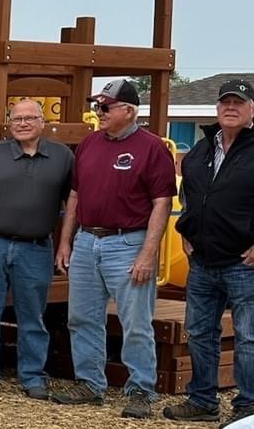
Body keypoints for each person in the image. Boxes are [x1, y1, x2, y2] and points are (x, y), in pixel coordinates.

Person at [52, 80, 176, 419]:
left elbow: (162, 203)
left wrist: (148, 254)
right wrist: (66, 240)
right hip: (88, 240)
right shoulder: (89, 143)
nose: (98, 112)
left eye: (105, 107)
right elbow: (75, 196)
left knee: (135, 322)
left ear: (129, 111)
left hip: (128, 242)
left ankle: (140, 391)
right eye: (97, 105)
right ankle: (90, 384)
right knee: (81, 317)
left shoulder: (152, 148)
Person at [0, 99, 73, 400]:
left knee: (33, 315)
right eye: (16, 119)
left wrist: (65, 242)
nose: (22, 123)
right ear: (10, 123)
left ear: (42, 122)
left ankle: (33, 376)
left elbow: (73, 200)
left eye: (29, 118)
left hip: (36, 248)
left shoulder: (62, 156)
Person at [164, 79, 254, 426]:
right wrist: (185, 231)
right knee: (199, 333)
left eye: (239, 102)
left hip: (243, 262)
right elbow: (189, 195)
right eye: (225, 102)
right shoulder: (201, 150)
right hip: (201, 260)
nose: (231, 108)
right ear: (217, 108)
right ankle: (202, 400)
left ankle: (248, 406)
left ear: (251, 110)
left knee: (248, 337)